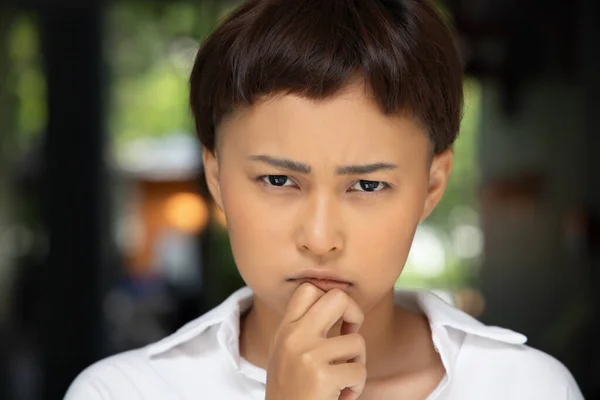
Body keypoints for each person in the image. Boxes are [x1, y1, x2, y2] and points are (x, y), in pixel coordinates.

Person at [65, 0, 584, 398]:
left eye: (367, 185)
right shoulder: (125, 391)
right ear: (217, 178)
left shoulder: (524, 387)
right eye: (277, 180)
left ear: (430, 188)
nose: (319, 238)